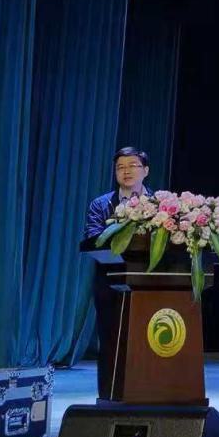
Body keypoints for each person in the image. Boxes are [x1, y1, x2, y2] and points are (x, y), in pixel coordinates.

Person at [84, 147, 152, 400]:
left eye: (133, 165)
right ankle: (109, 395)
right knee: (110, 340)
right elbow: (93, 239)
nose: (126, 171)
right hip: (110, 282)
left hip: (148, 284)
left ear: (145, 171)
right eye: (120, 167)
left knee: (146, 340)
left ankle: (147, 391)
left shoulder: (160, 204)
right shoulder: (101, 204)